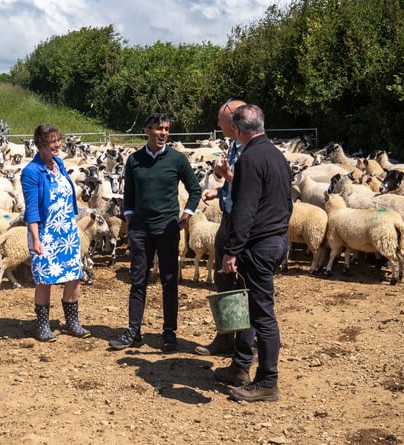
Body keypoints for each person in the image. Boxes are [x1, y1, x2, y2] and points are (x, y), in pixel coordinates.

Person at [214, 104, 292, 402]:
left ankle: (267, 381)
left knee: (262, 314)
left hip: (258, 245)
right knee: (251, 307)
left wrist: (232, 251)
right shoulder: (277, 156)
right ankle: (240, 367)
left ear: (236, 130)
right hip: (276, 240)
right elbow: (288, 202)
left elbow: (244, 211)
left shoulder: (248, 159)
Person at [109, 112, 202, 352]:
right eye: (159, 128)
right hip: (140, 229)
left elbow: (195, 188)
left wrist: (187, 213)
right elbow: (129, 192)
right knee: (138, 279)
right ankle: (133, 330)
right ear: (147, 130)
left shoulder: (177, 159)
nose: (163, 133)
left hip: (167, 228)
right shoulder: (134, 160)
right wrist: (129, 218)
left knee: (169, 280)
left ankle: (169, 332)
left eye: (167, 129)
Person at [20, 123, 91, 342]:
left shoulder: (58, 163)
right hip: (45, 232)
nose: (57, 145)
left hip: (66, 232)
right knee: (44, 280)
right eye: (52, 141)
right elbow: (32, 207)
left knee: (73, 277)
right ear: (40, 144)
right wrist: (35, 238)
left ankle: (73, 322)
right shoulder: (31, 172)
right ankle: (42, 325)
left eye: (58, 140)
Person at [194, 98, 247, 356]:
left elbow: (249, 187)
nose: (217, 124)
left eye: (220, 120)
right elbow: (235, 182)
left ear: (234, 121)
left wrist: (227, 178)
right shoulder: (235, 146)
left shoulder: (251, 148)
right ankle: (226, 337)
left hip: (243, 223)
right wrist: (220, 190)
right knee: (223, 279)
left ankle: (249, 343)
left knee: (244, 282)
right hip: (228, 218)